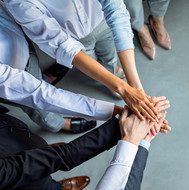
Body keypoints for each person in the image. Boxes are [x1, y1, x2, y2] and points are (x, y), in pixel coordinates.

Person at [4, 0, 160, 122]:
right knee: (92, 64)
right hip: (73, 39)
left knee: (109, 54)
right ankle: (110, 79)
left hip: (102, 19)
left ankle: (112, 71)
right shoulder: (18, 2)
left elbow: (115, 10)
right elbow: (64, 47)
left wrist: (135, 87)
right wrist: (124, 89)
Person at [0, 97, 170, 190]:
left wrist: (121, 113)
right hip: (22, 176)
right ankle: (55, 189)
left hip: (11, 132)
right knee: (41, 184)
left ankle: (40, 150)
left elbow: (41, 92)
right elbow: (62, 157)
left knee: (37, 146)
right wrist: (123, 127)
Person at [0, 2, 100, 133]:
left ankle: (45, 79)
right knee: (32, 100)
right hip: (11, 69)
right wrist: (109, 106)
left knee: (34, 70)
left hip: (15, 38)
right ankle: (57, 124)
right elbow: (36, 93)